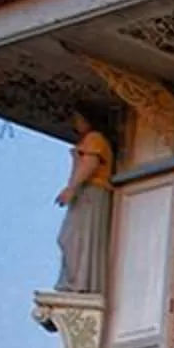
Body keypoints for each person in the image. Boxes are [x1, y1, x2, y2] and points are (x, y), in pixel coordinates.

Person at [51, 112, 114, 293]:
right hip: (84, 192)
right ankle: (75, 280)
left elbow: (90, 163)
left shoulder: (95, 139)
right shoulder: (88, 140)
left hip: (91, 192)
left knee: (76, 236)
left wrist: (71, 188)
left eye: (79, 119)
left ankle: (80, 282)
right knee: (69, 237)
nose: (76, 123)